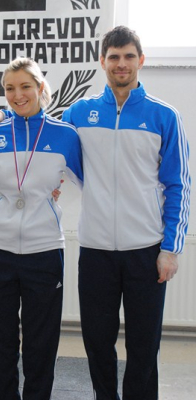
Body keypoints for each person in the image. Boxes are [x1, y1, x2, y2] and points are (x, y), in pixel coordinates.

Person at [61, 26, 191, 399]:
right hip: (96, 250)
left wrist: (170, 249)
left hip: (145, 251)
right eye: (114, 57)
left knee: (144, 346)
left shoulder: (164, 116)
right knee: (97, 342)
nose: (122, 64)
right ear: (102, 61)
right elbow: (43, 137)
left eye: (129, 56)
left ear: (141, 60)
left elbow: (178, 185)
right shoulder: (79, 113)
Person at [0, 57, 83, 400]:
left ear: (40, 87)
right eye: (10, 88)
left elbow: (92, 185)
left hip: (44, 251)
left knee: (41, 343)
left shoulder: (65, 135)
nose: (17, 94)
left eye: (25, 86)